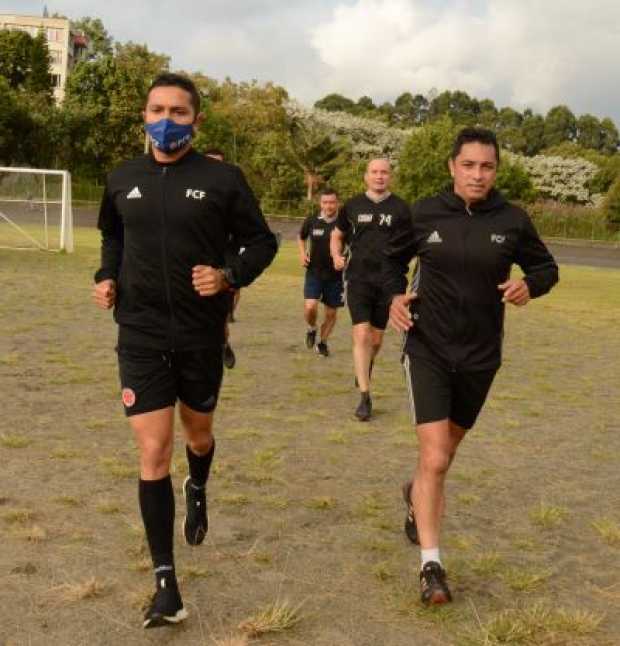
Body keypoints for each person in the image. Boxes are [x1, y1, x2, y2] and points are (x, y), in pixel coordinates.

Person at [92, 73, 278, 628]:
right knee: (154, 451)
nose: (166, 121)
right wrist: (107, 275)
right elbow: (113, 237)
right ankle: (166, 584)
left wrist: (227, 275)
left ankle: (198, 483)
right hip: (141, 334)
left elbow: (262, 241)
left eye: (178, 111)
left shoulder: (223, 179)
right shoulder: (122, 178)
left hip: (200, 335)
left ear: (197, 120)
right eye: (157, 109)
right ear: (143, 115)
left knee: (198, 434)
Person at [384, 127, 559, 605]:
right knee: (436, 457)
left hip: (481, 357)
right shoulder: (423, 213)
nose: (477, 174)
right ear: (452, 167)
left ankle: (414, 492)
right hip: (427, 350)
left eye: (487, 167)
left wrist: (530, 287)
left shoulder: (513, 220)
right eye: (469, 165)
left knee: (441, 457)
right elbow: (387, 264)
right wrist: (391, 296)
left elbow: (546, 269)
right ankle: (431, 566)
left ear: (495, 171)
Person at [330, 159, 411, 420]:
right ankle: (365, 397)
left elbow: (413, 243)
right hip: (358, 279)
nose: (379, 176)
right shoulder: (352, 206)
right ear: (366, 176)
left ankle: (364, 366)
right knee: (361, 335)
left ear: (390, 176)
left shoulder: (402, 208)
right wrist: (336, 255)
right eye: (374, 172)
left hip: (390, 282)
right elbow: (337, 234)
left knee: (375, 339)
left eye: (384, 172)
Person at [297, 188, 344, 357]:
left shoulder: (344, 223)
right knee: (310, 307)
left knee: (331, 314)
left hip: (336, 276)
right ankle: (311, 328)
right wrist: (302, 253)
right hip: (314, 272)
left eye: (332, 202)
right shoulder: (312, 221)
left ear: (337, 203)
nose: (328, 206)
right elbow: (301, 237)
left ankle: (322, 342)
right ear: (320, 203)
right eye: (325, 202)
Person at [205, 147, 240, 369]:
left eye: (219, 163)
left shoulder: (233, 194)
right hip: (192, 263)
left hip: (223, 265)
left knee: (218, 317)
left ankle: (223, 343)